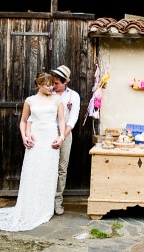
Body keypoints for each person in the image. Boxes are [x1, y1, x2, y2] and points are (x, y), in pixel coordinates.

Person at [0, 72, 66, 232]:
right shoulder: (30, 101)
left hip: (50, 140)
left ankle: (44, 209)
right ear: (39, 84)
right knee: (33, 172)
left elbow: (61, 120)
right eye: (47, 84)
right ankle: (29, 207)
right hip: (36, 140)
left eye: (52, 84)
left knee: (47, 173)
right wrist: (25, 136)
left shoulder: (57, 99)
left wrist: (61, 137)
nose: (51, 87)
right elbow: (23, 121)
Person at [49, 65, 81, 215]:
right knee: (47, 166)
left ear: (65, 82)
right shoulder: (48, 93)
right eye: (53, 82)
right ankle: (45, 201)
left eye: (56, 83)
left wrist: (62, 136)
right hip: (48, 133)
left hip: (66, 133)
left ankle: (57, 202)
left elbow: (72, 119)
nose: (53, 85)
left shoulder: (73, 96)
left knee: (62, 168)